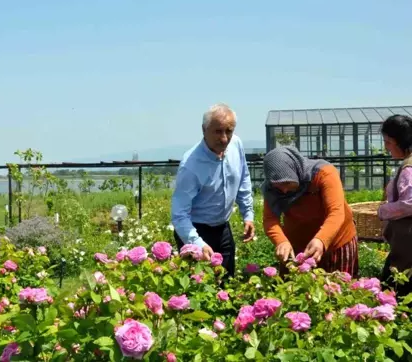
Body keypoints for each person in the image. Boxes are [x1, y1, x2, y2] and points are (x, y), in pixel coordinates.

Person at [171, 104, 255, 277]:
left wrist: (248, 214)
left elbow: (243, 178)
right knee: (198, 290)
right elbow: (179, 215)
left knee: (227, 283)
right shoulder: (191, 165)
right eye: (217, 131)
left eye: (229, 131)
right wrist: (198, 244)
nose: (224, 138)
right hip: (195, 230)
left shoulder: (236, 145)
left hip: (223, 227)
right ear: (204, 130)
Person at [262, 146, 358, 276]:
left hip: (336, 242)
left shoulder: (323, 173)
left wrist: (321, 239)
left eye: (287, 183)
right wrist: (281, 241)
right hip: (298, 246)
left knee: (338, 289)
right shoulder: (271, 188)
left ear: (294, 171)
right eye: (278, 185)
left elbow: (336, 212)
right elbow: (270, 219)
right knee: (296, 290)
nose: (283, 190)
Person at [378, 114, 412, 296]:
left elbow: (409, 203)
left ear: (398, 141)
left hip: (407, 246)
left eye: (387, 142)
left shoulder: (409, 168)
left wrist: (383, 210)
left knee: (394, 291)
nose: (386, 147)